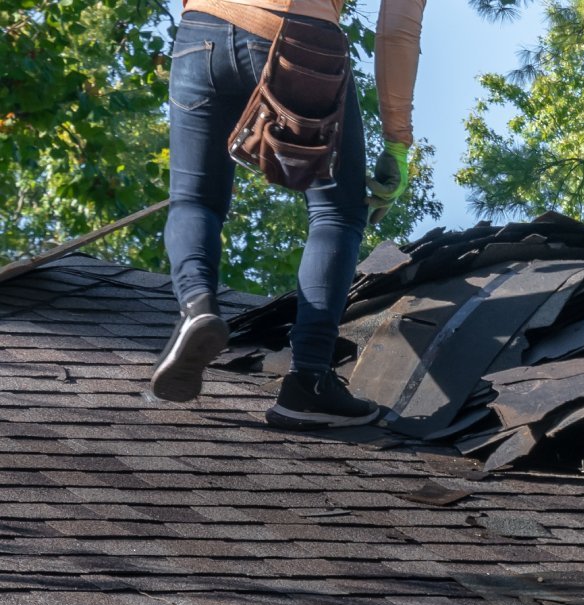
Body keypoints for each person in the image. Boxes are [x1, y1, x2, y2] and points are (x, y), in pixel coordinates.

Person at [150, 0, 426, 427]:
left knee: (194, 199)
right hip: (302, 36)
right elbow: (397, 30)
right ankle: (309, 380)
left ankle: (196, 306)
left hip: (199, 30)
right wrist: (396, 142)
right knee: (337, 212)